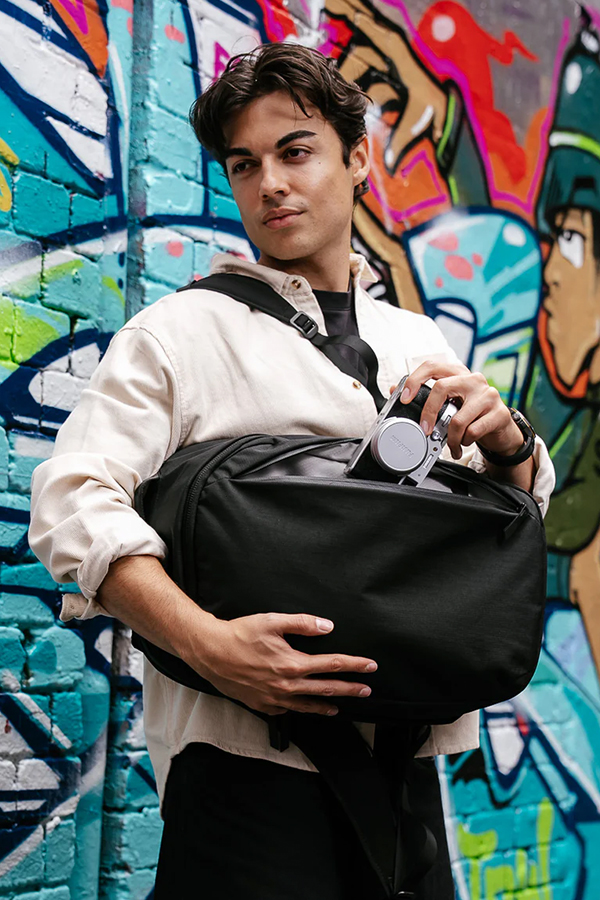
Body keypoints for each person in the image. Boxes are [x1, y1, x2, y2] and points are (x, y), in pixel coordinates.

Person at [29, 43, 555, 899]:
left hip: (408, 777)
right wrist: (210, 645)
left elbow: (499, 531)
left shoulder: (418, 339)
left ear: (358, 158)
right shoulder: (180, 333)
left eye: (295, 150)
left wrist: (509, 449)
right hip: (243, 775)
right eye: (245, 164)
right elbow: (70, 503)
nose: (270, 183)